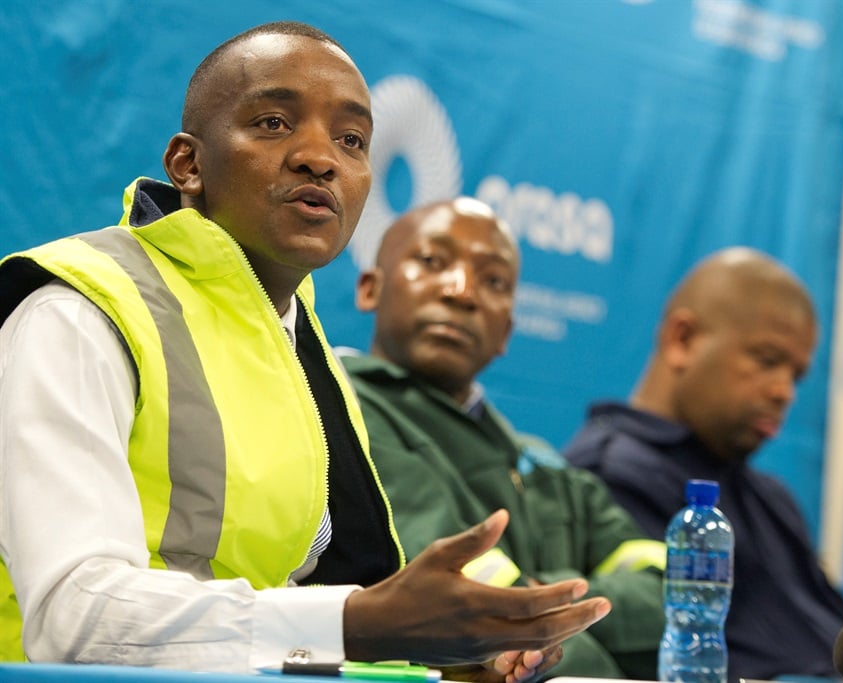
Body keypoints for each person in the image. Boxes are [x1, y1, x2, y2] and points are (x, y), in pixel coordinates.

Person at [0, 22, 611, 678]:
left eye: (351, 141)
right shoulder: (78, 308)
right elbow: (73, 614)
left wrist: (442, 658)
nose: (320, 157)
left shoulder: (298, 343)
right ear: (189, 164)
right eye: (272, 123)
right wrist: (358, 624)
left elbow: (290, 603)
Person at [316, 197, 665, 679]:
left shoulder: (543, 463)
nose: (462, 292)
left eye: (494, 281)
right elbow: (482, 613)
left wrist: (549, 592)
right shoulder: (341, 408)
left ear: (507, 331)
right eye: (432, 262)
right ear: (370, 288)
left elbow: (671, 594)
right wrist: (578, 618)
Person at [563, 247, 843, 683]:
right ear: (683, 340)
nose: (783, 392)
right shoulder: (602, 476)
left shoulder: (772, 497)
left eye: (796, 376)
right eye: (768, 360)